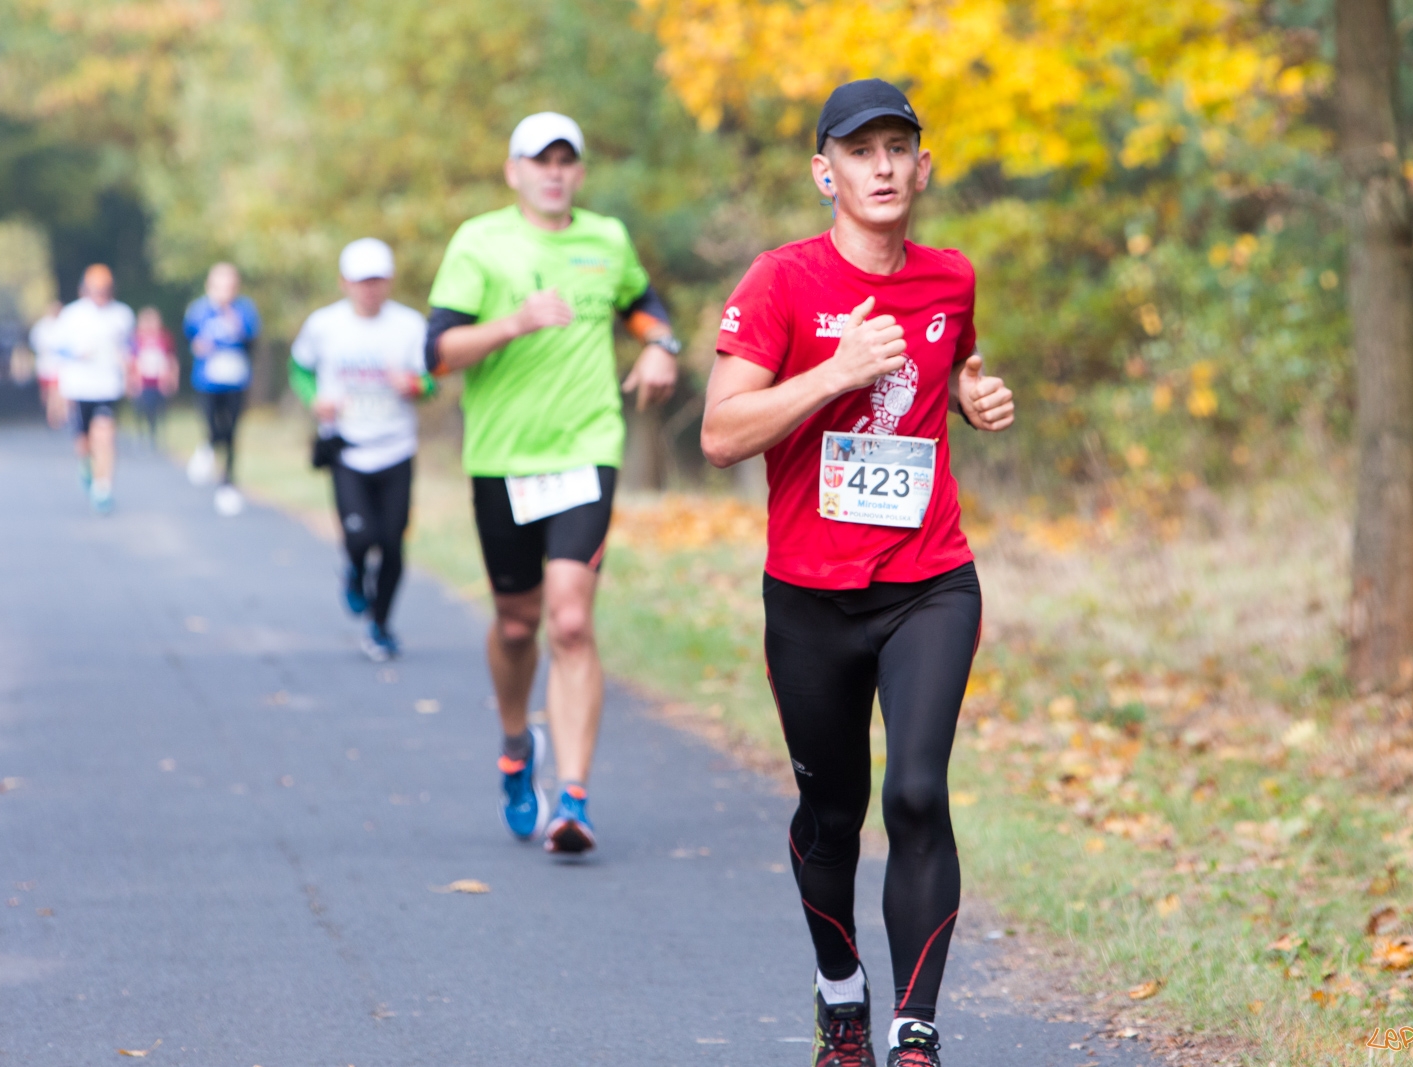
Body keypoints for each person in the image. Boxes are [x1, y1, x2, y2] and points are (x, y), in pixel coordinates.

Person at [698, 80, 1016, 1067]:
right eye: (860, 150)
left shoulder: (950, 278)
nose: (882, 167)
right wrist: (836, 369)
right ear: (823, 172)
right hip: (809, 594)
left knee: (916, 791)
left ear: (923, 167)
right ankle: (841, 991)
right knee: (832, 812)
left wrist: (968, 396)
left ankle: (914, 1030)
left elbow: (944, 365)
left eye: (897, 149)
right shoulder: (781, 281)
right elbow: (720, 433)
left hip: (929, 578)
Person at [425, 111, 681, 854]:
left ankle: (574, 799)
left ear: (580, 172)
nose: (555, 173)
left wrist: (661, 346)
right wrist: (514, 322)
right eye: (541, 160)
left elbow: (644, 305)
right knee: (517, 622)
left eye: (567, 160)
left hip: (586, 451)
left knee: (570, 621)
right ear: (514, 172)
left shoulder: (607, 239)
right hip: (502, 460)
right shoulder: (479, 242)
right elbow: (436, 353)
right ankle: (516, 746)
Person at [290, 239, 433, 661]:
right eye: (361, 281)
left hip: (396, 447)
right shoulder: (324, 325)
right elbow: (299, 368)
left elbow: (432, 380)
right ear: (344, 282)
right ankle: (353, 569)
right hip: (347, 448)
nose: (369, 289)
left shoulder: (410, 326)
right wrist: (314, 398)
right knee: (360, 536)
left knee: (392, 543)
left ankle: (381, 626)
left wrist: (414, 386)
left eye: (376, 281)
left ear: (389, 281)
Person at [55, 265, 136, 515]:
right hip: (79, 387)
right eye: (95, 289)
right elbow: (57, 348)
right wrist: (76, 354)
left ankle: (103, 488)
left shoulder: (122, 314)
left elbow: (129, 348)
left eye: (105, 289)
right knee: (83, 443)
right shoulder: (71, 315)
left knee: (105, 435)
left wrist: (129, 371)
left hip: (107, 387)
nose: (100, 294)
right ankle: (86, 466)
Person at [184, 262, 261, 516]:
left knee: (231, 432)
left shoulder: (244, 309)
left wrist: (233, 321)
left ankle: (228, 483)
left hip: (236, 380)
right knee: (211, 426)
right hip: (207, 381)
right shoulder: (199, 310)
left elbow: (252, 339)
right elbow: (191, 338)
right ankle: (207, 446)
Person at [128, 307, 178, 448]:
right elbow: (131, 360)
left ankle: (153, 434)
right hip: (141, 381)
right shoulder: (136, 338)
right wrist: (131, 380)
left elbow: (171, 359)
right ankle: (140, 434)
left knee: (156, 409)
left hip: (159, 381)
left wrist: (173, 377)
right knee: (140, 408)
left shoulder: (164, 338)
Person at [30, 300, 65, 429]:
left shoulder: (63, 324)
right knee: (46, 393)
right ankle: (49, 414)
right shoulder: (41, 326)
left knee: (56, 392)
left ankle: (55, 417)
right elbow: (36, 344)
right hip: (45, 366)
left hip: (58, 366)